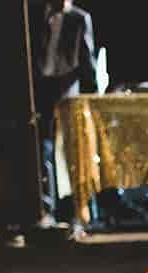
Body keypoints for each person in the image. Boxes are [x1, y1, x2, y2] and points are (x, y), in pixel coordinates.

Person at [31, 0, 97, 225]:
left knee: (71, 151)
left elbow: (87, 58)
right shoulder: (42, 18)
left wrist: (92, 92)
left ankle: (77, 211)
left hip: (67, 90)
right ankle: (47, 208)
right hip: (44, 89)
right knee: (44, 149)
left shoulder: (79, 19)